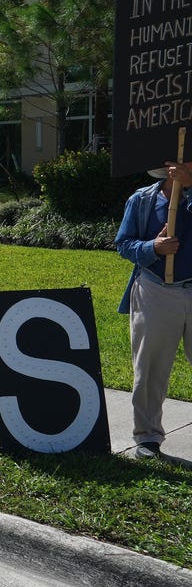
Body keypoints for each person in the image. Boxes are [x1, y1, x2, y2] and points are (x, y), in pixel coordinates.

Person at [115, 160, 192, 459]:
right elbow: (124, 243)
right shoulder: (142, 199)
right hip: (155, 290)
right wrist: (153, 248)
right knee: (150, 368)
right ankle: (147, 438)